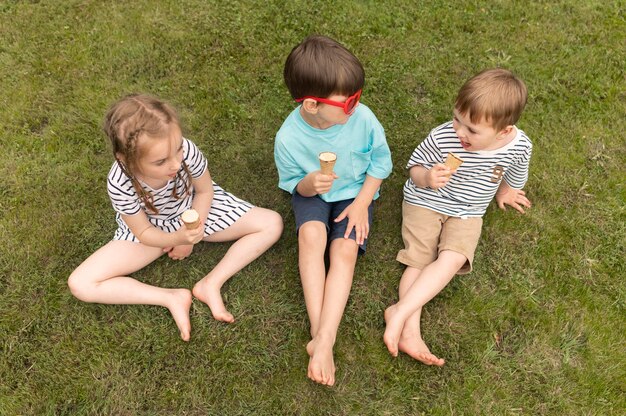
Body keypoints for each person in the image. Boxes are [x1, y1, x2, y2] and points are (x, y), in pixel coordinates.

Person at [68, 94, 283, 341]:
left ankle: (211, 283)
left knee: (271, 223)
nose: (175, 164)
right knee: (81, 283)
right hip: (150, 229)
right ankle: (169, 297)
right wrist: (174, 238)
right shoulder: (120, 182)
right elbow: (143, 232)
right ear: (126, 160)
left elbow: (204, 191)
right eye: (160, 161)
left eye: (178, 149)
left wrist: (188, 237)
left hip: (197, 208)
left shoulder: (186, 152)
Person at [383, 68, 532, 365]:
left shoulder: (518, 146)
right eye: (457, 119)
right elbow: (414, 168)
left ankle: (399, 310)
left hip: (468, 212)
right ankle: (409, 329)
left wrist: (507, 191)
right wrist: (427, 177)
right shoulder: (443, 137)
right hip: (426, 201)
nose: (459, 132)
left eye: (472, 130)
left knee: (453, 258)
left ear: (503, 131)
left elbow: (516, 169)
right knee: (420, 258)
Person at [274, 35, 393, 386]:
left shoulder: (364, 119)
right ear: (312, 104)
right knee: (311, 238)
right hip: (314, 192)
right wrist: (309, 184)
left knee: (344, 250)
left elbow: (380, 164)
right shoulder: (288, 139)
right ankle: (322, 335)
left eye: (358, 96)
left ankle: (323, 338)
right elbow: (293, 183)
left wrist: (361, 203)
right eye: (349, 100)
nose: (357, 105)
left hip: (355, 193)